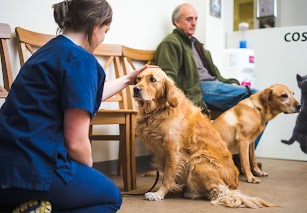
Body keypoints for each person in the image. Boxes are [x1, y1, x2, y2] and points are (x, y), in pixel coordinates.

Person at [0, 0, 154, 212]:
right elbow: (76, 142)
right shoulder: (81, 59)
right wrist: (86, 174)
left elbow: (86, 96)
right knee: (110, 198)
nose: (102, 38)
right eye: (105, 31)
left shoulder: (49, 51)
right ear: (94, 27)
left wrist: (128, 79)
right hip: (33, 171)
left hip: (6, 167)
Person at [154, 3, 264, 169]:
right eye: (189, 19)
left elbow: (217, 76)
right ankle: (240, 160)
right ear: (177, 22)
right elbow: (167, 78)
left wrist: (231, 83)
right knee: (259, 98)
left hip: (214, 86)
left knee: (261, 104)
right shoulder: (171, 43)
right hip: (201, 89)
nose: (194, 23)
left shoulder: (198, 46)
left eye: (196, 19)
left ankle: (238, 157)